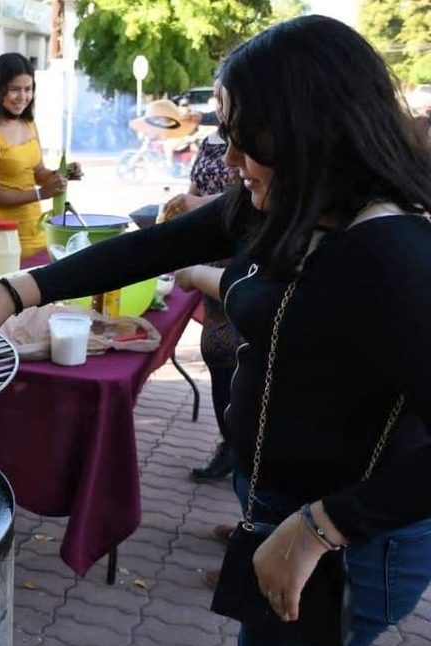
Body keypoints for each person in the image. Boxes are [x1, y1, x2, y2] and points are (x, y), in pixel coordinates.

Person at [0, 16, 431, 646]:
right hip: (273, 507)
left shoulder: (397, 254)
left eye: (250, 137)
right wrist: (15, 292)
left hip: (350, 540)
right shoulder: (288, 206)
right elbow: (157, 246)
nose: (234, 158)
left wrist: (322, 527)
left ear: (312, 132)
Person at [162, 83, 241, 483]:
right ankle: (232, 445)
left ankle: (239, 449)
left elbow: (241, 198)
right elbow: (198, 189)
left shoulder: (259, 141)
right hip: (211, 258)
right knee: (215, 351)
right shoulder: (212, 140)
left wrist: (196, 207)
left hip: (238, 259)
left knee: (236, 357)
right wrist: (184, 204)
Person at [0, 53, 81, 259]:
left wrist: (62, 174)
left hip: (36, 236)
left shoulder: (28, 124)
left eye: (28, 89)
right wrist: (41, 194)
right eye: (15, 89)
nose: (23, 97)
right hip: (1, 241)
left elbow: (38, 172)